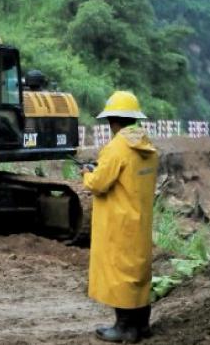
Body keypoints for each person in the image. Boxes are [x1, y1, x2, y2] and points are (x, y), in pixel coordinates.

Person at [81, 91, 158, 343]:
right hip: (140, 222)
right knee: (137, 271)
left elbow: (99, 183)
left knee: (119, 274)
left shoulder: (116, 148)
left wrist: (87, 173)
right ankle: (142, 324)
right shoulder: (147, 145)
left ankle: (124, 327)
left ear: (114, 120)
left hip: (118, 223)